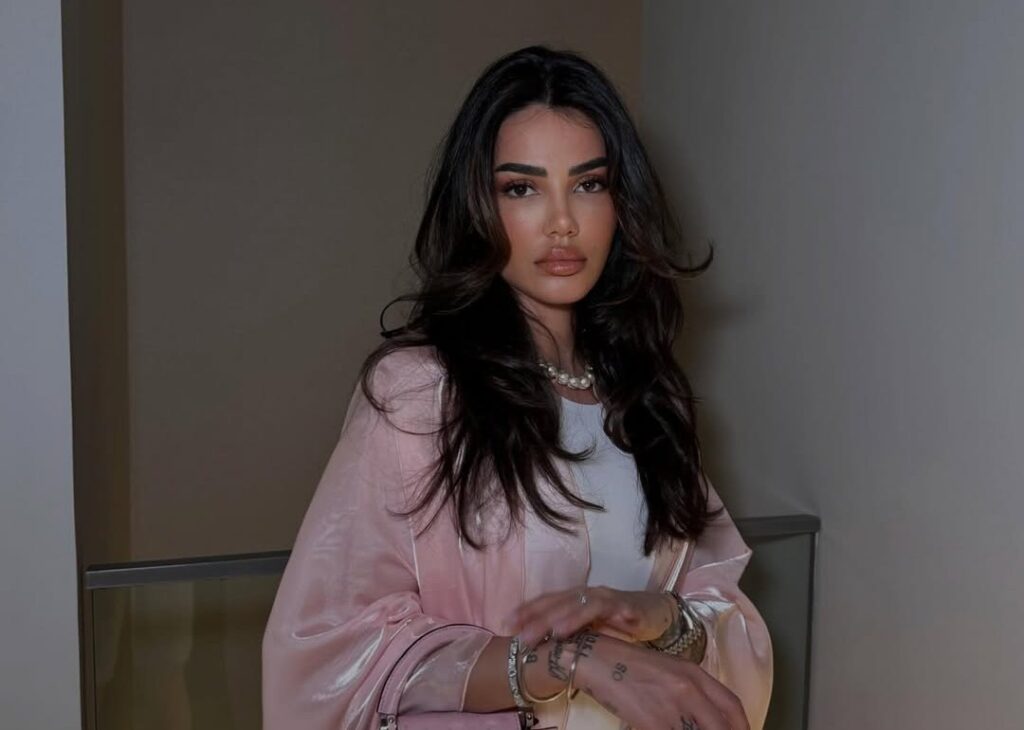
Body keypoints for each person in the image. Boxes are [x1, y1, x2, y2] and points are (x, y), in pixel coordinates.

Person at [262, 45, 772, 730]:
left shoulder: (647, 397)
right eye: (522, 189)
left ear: (621, 202)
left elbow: (723, 609)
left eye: (589, 184)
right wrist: (571, 660)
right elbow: (335, 647)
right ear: (477, 204)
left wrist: (660, 619)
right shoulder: (421, 393)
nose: (562, 222)